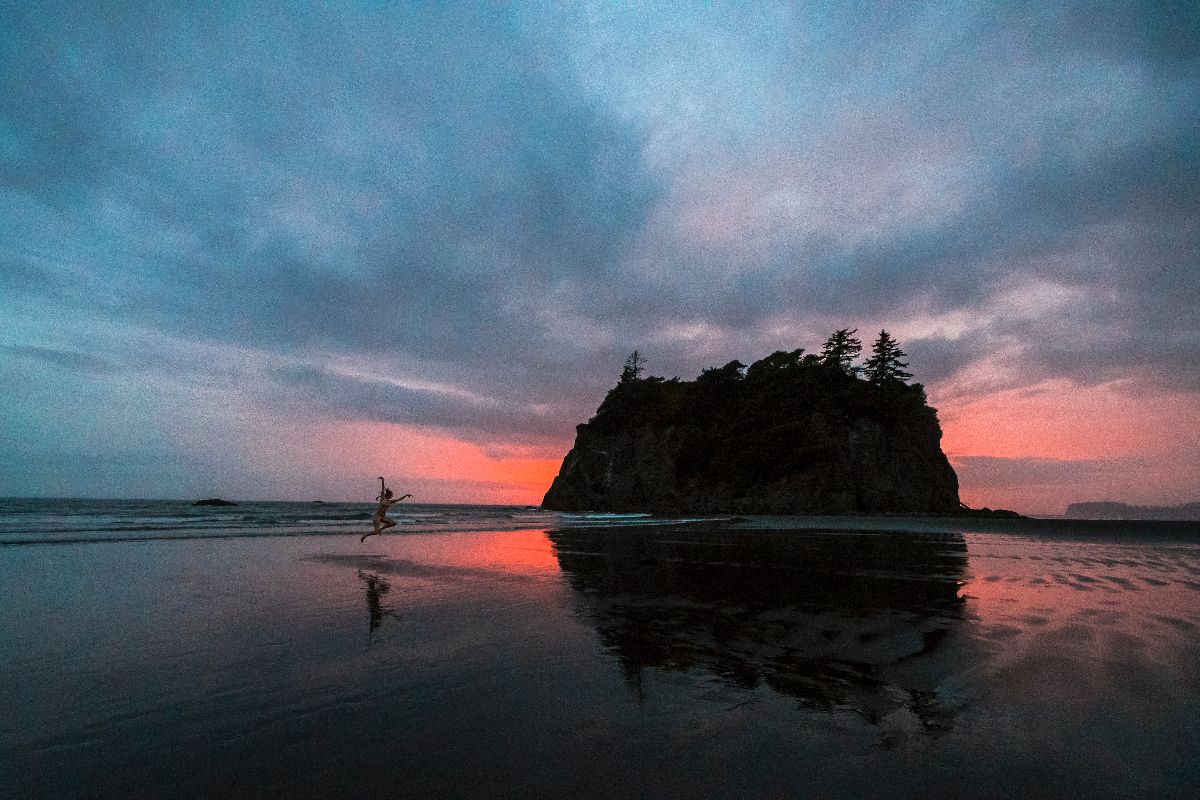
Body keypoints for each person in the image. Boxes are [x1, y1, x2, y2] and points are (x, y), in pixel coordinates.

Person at [362, 477, 411, 543]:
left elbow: (398, 499)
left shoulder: (390, 501)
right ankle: (365, 535)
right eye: (391, 495)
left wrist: (406, 495)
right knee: (376, 532)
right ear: (388, 495)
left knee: (393, 523)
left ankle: (381, 529)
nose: (392, 496)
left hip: (383, 517)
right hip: (377, 516)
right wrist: (383, 480)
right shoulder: (383, 498)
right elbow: (382, 489)